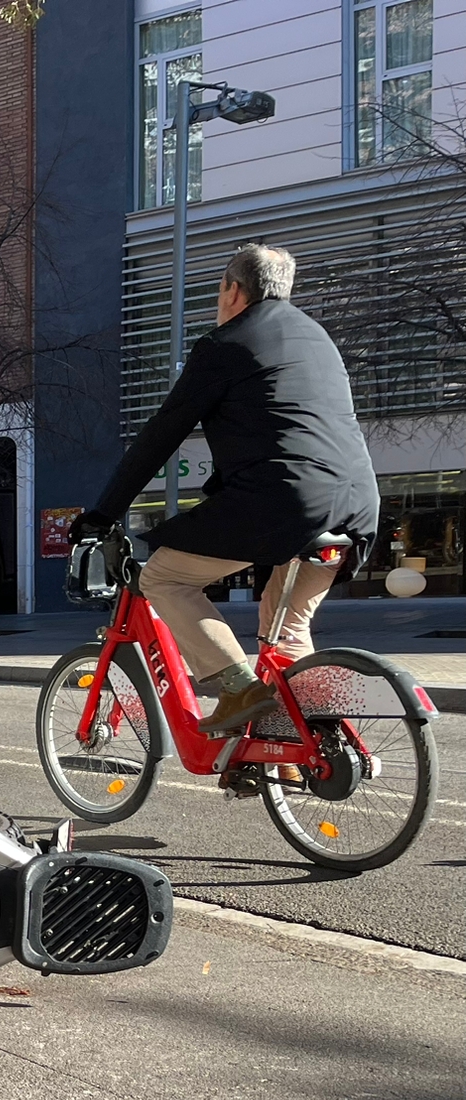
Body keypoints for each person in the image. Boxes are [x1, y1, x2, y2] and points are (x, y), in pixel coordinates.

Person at [85, 243, 379, 734]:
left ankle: (237, 687)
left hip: (285, 502)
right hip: (355, 504)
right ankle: (300, 751)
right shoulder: (317, 337)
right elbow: (276, 431)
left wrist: (101, 513)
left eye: (218, 290)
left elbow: (162, 433)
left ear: (233, 291)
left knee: (163, 578)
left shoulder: (225, 345)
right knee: (285, 631)